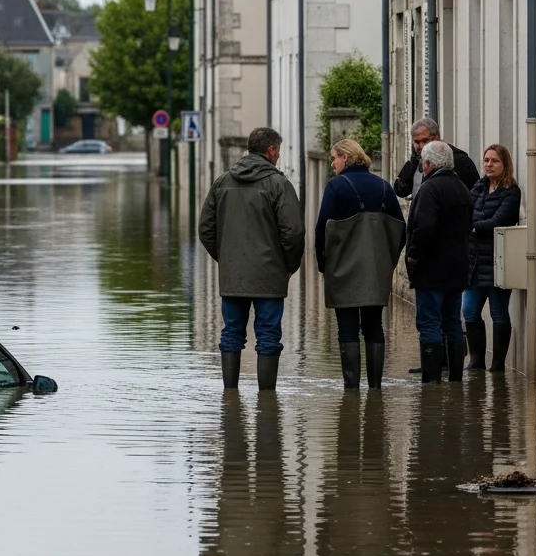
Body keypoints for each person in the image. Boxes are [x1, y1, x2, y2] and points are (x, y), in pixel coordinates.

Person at [199, 127, 305, 392]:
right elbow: (293, 232)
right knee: (268, 335)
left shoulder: (222, 181)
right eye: (278, 151)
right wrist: (289, 265)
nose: (279, 157)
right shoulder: (279, 184)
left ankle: (230, 395)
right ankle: (267, 401)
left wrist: (226, 258)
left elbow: (205, 229)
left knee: (231, 333)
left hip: (233, 275)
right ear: (270, 151)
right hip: (270, 274)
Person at [315, 139, 406, 390]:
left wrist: (323, 264)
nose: (332, 163)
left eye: (334, 157)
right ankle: (375, 387)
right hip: (376, 270)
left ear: (346, 157)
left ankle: (351, 389)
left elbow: (321, 229)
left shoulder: (335, 187)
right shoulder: (384, 187)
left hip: (342, 268)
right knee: (374, 326)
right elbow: (401, 230)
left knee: (347, 329)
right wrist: (389, 260)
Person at [405, 141, 473, 383]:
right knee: (453, 322)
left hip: (431, 270)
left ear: (429, 164)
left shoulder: (429, 189)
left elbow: (423, 228)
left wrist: (413, 256)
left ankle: (431, 381)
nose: (422, 167)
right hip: (457, 269)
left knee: (429, 323)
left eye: (423, 162)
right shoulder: (462, 188)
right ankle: (455, 379)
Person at [463, 144, 522, 371]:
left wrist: (475, 227)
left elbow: (501, 219)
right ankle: (476, 361)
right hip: (474, 262)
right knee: (469, 310)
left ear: (504, 164)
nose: (488, 164)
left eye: (494, 161)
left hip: (498, 262)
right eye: (486, 160)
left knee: (498, 313)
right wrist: (474, 226)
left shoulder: (511, 191)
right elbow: (466, 212)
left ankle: (497, 365)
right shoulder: (478, 187)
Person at [394, 118, 480, 198]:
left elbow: (475, 194)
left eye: (425, 141)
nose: (420, 146)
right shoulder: (415, 162)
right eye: (416, 142)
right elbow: (400, 191)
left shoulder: (460, 161)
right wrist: (411, 165)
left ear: (437, 137)